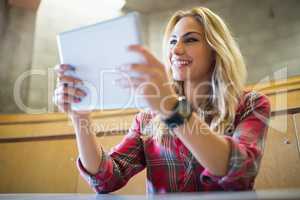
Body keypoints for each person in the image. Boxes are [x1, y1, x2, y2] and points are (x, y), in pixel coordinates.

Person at [53, 7, 271, 193]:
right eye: (172, 41)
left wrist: (170, 107)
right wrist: (79, 116)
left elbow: (240, 170)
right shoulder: (147, 118)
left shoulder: (251, 104)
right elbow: (106, 179)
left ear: (216, 50)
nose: (176, 50)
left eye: (191, 39)